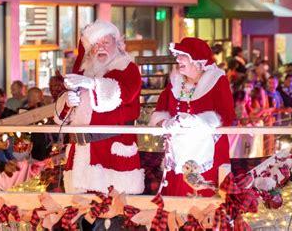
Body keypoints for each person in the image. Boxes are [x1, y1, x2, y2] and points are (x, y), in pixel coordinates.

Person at [54, 20, 144, 194]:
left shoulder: (128, 69)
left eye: (105, 43)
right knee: (80, 209)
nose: (100, 48)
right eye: (96, 44)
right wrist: (69, 102)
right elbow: (63, 116)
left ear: (117, 45)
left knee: (113, 208)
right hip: (81, 152)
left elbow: (124, 94)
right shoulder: (84, 72)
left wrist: (94, 84)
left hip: (111, 151)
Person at [149, 37, 235, 197]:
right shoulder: (175, 82)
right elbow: (160, 110)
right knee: (177, 201)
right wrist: (165, 122)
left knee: (205, 202)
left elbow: (227, 116)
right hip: (179, 151)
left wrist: (196, 122)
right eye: (178, 55)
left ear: (198, 61)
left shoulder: (217, 81)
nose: (178, 59)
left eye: (183, 56)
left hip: (209, 152)